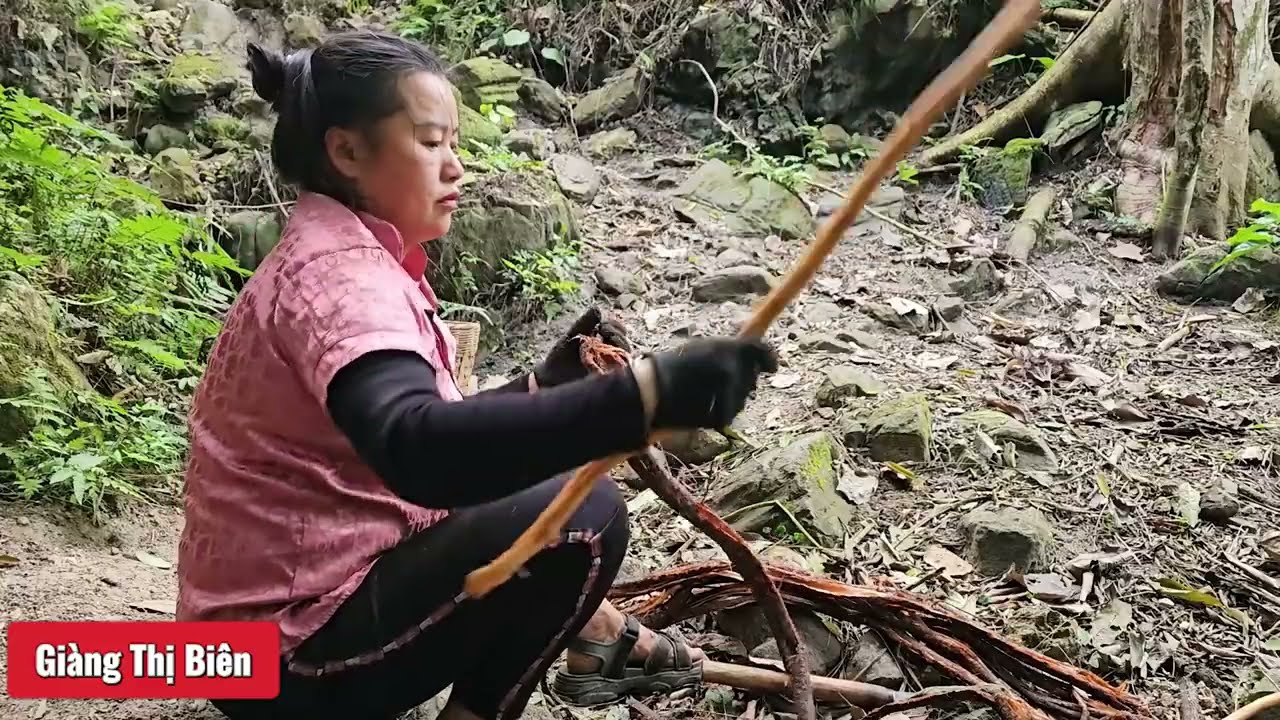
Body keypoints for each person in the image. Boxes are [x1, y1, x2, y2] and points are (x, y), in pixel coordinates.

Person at [174, 30, 779, 720]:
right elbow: (419, 450)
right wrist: (641, 395)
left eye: (453, 143)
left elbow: (416, 438)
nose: (456, 166)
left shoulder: (338, 253)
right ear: (346, 151)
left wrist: (544, 388)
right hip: (284, 666)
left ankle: (592, 652)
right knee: (585, 514)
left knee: (543, 499)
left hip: (248, 654)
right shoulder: (340, 279)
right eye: (431, 143)